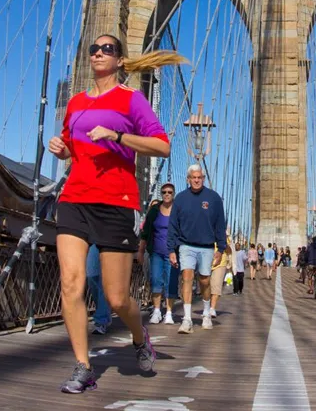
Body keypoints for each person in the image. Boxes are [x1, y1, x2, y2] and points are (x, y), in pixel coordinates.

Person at [47, 34, 184, 394]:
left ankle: (140, 338)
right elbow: (71, 148)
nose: (97, 53)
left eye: (107, 49)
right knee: (71, 283)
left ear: (120, 60)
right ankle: (83, 366)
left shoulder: (130, 99)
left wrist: (118, 137)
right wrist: (60, 148)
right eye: (93, 48)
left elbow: (162, 146)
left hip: (116, 201)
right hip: (74, 198)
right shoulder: (75, 102)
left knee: (118, 297)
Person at [167, 164, 227, 333]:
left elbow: (220, 225)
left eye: (199, 177)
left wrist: (220, 248)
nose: (196, 180)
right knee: (187, 277)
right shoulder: (180, 198)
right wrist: (171, 249)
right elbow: (173, 225)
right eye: (193, 177)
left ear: (203, 178)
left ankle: (206, 313)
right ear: (188, 179)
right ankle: (187, 320)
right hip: (186, 245)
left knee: (205, 281)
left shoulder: (214, 198)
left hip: (207, 247)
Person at [138, 185, 179, 325]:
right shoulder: (154, 210)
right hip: (156, 252)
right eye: (164, 192)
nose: (167, 194)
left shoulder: (178, 210)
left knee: (170, 282)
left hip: (173, 253)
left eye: (169, 192)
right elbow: (145, 232)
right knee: (155, 280)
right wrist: (141, 251)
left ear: (174, 194)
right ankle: (156, 311)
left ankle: (168, 312)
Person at [86, 244, 112, 335]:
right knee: (91, 275)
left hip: (111, 240)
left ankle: (102, 320)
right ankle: (104, 312)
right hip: (94, 239)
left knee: (104, 280)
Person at [209, 232, 233, 316]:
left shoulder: (225, 239)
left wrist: (224, 244)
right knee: (206, 286)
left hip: (220, 264)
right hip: (207, 261)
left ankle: (212, 308)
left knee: (216, 285)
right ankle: (207, 306)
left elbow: (230, 251)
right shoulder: (207, 232)